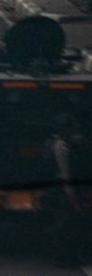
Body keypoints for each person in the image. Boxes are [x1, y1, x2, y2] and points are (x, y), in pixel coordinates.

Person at [44, 113, 88, 267]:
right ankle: (66, 257)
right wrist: (72, 196)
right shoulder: (61, 146)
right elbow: (65, 172)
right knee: (68, 224)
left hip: (57, 188)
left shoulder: (52, 143)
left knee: (65, 223)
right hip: (63, 189)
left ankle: (66, 256)